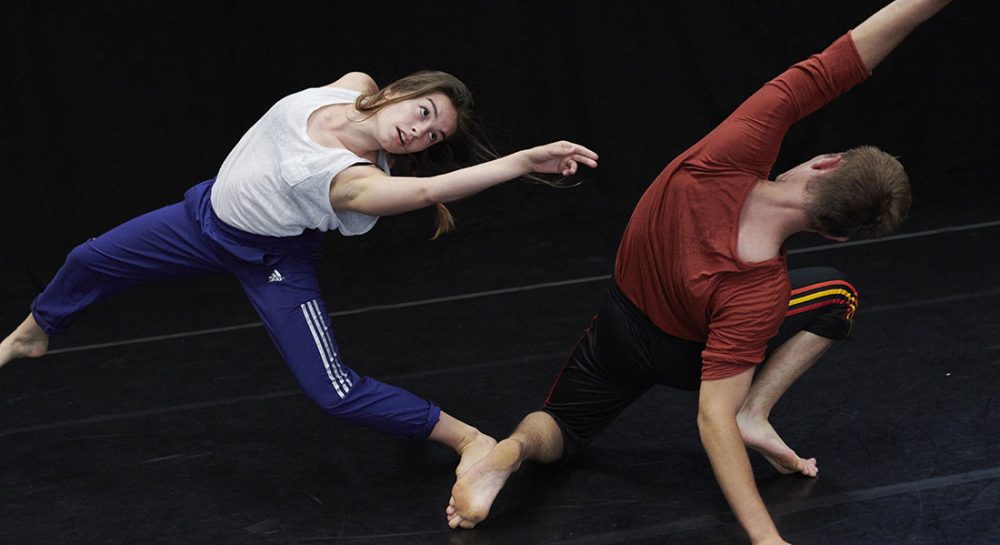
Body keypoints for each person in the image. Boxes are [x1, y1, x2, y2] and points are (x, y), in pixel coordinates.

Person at [447, 0, 953, 542]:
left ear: (825, 164)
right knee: (838, 293)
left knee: (561, 426)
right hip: (688, 353)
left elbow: (843, 59)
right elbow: (713, 418)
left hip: (619, 323)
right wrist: (767, 537)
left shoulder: (730, 151)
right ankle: (756, 414)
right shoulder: (759, 288)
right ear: (833, 231)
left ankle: (515, 451)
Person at [0, 69, 598, 477]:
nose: (418, 133)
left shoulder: (360, 179)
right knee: (88, 260)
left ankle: (468, 438)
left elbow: (425, 190)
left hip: (271, 259)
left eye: (431, 135)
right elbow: (360, 84)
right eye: (422, 113)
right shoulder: (350, 87)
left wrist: (520, 161)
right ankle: (35, 331)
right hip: (201, 217)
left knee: (332, 391)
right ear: (394, 92)